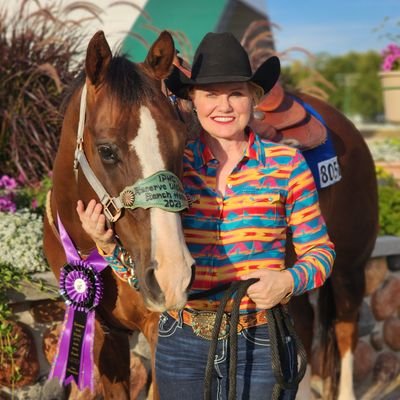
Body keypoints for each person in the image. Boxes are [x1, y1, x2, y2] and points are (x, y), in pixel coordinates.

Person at [77, 32, 335, 400]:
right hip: (180, 344)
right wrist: (106, 245)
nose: (224, 106)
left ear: (253, 98)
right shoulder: (171, 167)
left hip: (259, 342)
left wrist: (289, 281)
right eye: (210, 95)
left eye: (236, 93)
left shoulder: (287, 166)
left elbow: (321, 253)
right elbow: (150, 270)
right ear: (191, 100)